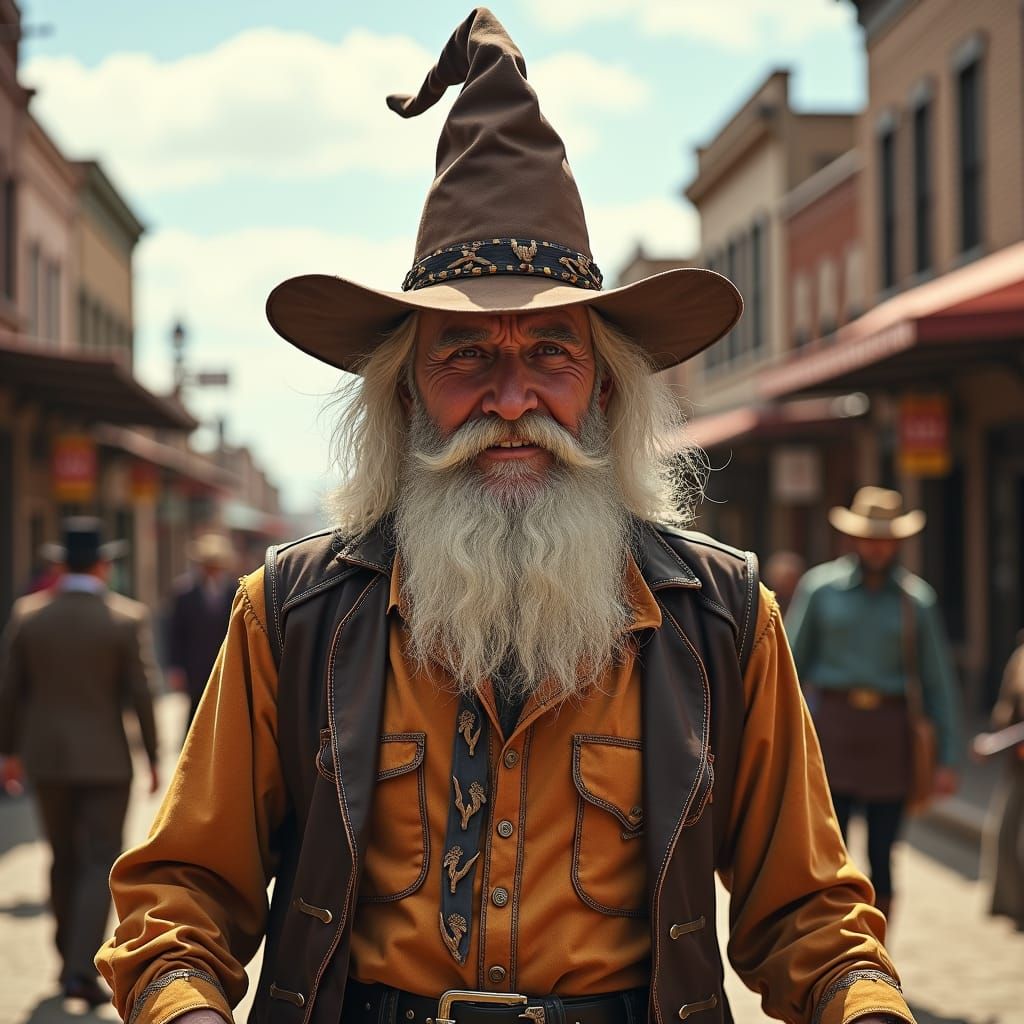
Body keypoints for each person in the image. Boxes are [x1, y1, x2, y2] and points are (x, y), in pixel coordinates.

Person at [97, 11, 914, 1024]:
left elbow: (806, 912)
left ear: (605, 393)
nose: (512, 398)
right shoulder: (294, 613)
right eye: (467, 355)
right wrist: (183, 1003)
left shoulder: (720, 616)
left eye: (551, 354)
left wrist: (863, 1003)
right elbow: (182, 894)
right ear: (407, 395)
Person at [0, 517, 160, 1006]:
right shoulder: (124, 617)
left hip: (46, 761)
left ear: (60, 563)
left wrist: (8, 754)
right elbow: (141, 694)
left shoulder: (29, 615)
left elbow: (9, 693)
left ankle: (64, 959)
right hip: (108, 761)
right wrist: (155, 756)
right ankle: (78, 967)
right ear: (103, 564)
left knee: (62, 859)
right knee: (99, 862)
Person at [786, 486, 961, 919]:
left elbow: (939, 683)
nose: (878, 546)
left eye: (886, 538)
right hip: (833, 729)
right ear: (855, 539)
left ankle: (879, 951)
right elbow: (787, 668)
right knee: (829, 851)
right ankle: (833, 945)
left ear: (897, 543)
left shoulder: (916, 601)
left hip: (892, 733)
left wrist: (948, 759)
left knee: (883, 854)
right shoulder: (820, 589)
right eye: (870, 536)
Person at [166, 532, 237, 733]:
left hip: (225, 664)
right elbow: (175, 632)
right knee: (195, 716)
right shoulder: (184, 593)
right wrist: (175, 667)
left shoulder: (235, 591)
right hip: (194, 666)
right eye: (208, 564)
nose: (212, 569)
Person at [983, 631, 1024, 930]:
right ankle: (1011, 904)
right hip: (1018, 761)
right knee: (1004, 833)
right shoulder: (1020, 654)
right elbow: (1008, 703)